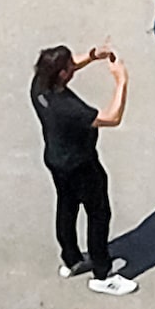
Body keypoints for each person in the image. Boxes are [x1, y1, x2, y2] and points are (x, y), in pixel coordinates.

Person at [30, 47, 135, 293]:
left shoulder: (39, 86)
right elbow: (112, 117)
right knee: (98, 214)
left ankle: (72, 260)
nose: (74, 65)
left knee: (67, 206)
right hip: (82, 165)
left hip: (56, 159)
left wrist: (92, 55)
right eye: (70, 65)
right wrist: (121, 81)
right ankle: (102, 274)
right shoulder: (68, 109)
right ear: (63, 74)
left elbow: (71, 65)